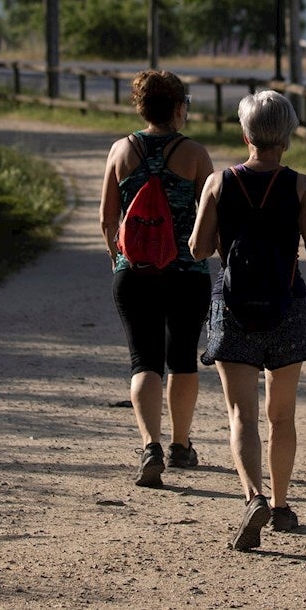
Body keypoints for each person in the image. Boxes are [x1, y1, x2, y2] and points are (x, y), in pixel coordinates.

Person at [188, 90, 306, 551]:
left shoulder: (218, 182)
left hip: (233, 307)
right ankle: (280, 505)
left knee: (242, 413)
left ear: (246, 135)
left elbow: (198, 249)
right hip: (288, 306)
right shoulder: (301, 186)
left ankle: (252, 497)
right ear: (288, 137)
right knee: (282, 414)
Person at [100, 70, 215, 488]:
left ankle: (150, 446)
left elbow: (107, 218)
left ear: (142, 107)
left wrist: (119, 259)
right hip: (187, 273)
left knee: (144, 360)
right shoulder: (195, 154)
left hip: (134, 274)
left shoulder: (120, 150)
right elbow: (212, 217)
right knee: (182, 357)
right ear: (179, 108)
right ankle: (181, 445)